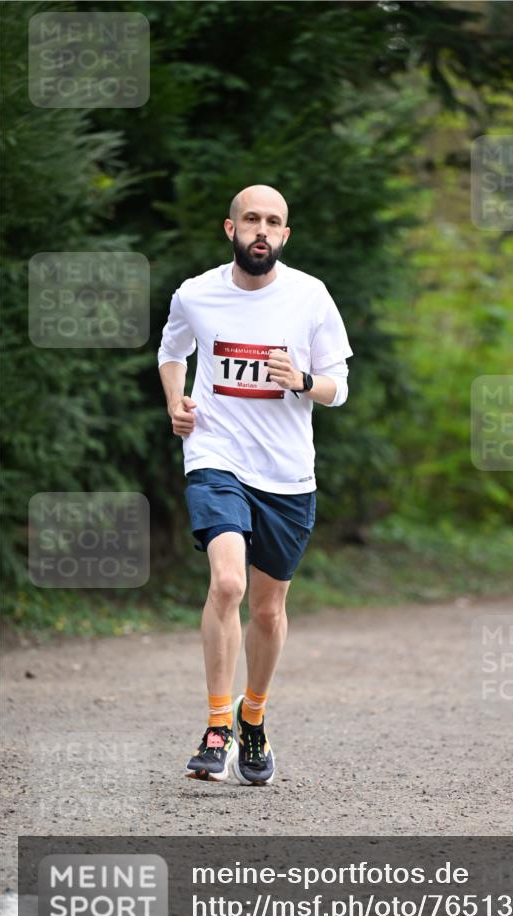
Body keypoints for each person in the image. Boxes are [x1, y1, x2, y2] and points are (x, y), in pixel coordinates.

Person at [157, 184, 352, 786]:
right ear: (231, 228)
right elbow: (171, 351)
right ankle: (217, 725)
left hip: (288, 473)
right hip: (216, 455)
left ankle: (254, 715)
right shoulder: (197, 294)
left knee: (268, 610)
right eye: (251, 219)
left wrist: (302, 379)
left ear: (285, 235)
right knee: (228, 581)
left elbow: (339, 386)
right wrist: (176, 403)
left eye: (272, 221)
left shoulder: (311, 296)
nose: (261, 229)